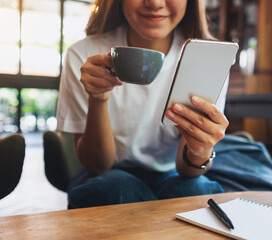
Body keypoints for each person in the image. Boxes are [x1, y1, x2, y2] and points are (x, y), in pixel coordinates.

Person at [56, 0, 230, 209]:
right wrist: (98, 99)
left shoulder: (207, 59)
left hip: (173, 173)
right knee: (115, 187)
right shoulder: (85, 55)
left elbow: (187, 172)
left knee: (197, 191)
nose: (155, 3)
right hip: (108, 176)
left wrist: (201, 150)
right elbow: (97, 166)